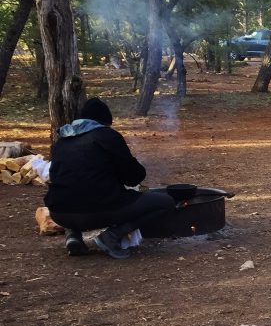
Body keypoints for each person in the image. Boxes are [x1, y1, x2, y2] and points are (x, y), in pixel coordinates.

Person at [44, 98, 175, 259]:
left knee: (71, 190)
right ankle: (111, 236)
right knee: (165, 202)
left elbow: (59, 177)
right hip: (99, 211)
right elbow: (134, 177)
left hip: (59, 213)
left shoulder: (62, 140)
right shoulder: (107, 136)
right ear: (104, 122)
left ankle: (73, 236)